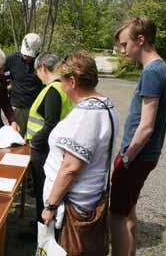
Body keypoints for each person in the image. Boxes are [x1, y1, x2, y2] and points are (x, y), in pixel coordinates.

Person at [41, 52, 119, 255]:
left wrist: (50, 206)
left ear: (73, 81)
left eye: (63, 81)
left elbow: (70, 168)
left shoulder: (86, 116)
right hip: (89, 198)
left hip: (73, 206)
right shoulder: (106, 104)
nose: (62, 87)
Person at [110, 17, 166, 256]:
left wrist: (125, 157)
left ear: (141, 39)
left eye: (125, 44)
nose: (122, 50)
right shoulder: (162, 69)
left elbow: (146, 127)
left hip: (138, 156)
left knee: (116, 215)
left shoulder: (152, 73)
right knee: (128, 211)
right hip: (145, 156)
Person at [26, 52, 72, 227]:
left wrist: (35, 142)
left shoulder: (53, 90)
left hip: (44, 150)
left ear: (43, 68)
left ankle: (42, 229)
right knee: (48, 189)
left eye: (37, 72)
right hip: (54, 148)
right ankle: (42, 222)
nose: (37, 77)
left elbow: (50, 123)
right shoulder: (64, 87)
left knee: (43, 190)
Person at [4, 33, 43, 137]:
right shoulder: (11, 60)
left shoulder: (41, 62)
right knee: (16, 139)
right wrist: (7, 86)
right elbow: (2, 77)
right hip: (18, 108)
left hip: (36, 108)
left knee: (34, 140)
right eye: (25, 55)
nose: (26, 57)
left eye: (29, 56)